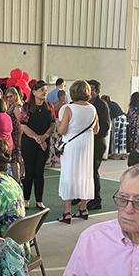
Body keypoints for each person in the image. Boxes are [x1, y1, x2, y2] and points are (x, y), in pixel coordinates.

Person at [56, 80, 98, 224]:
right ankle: (83, 208)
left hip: (72, 145)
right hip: (87, 144)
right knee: (85, 173)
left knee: (69, 174)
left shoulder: (68, 108)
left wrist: (57, 125)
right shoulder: (92, 108)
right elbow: (96, 130)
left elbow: (62, 130)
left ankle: (67, 212)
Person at [20, 80, 56, 209]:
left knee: (40, 172)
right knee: (29, 172)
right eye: (42, 90)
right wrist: (37, 138)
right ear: (34, 92)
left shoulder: (49, 106)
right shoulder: (27, 107)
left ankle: (39, 200)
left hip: (44, 143)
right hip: (29, 143)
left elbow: (52, 123)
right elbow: (23, 125)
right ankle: (26, 199)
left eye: (46, 90)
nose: (44, 92)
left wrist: (45, 137)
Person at [85, 79, 110, 210]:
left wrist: (92, 133)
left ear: (97, 91)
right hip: (85, 142)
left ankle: (96, 199)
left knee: (92, 172)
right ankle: (81, 194)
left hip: (97, 142)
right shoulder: (84, 104)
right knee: (83, 171)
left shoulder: (102, 105)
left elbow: (105, 127)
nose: (89, 92)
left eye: (91, 89)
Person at [5, 86, 23, 183]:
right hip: (11, 135)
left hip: (16, 135)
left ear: (16, 96)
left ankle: (17, 181)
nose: (9, 99)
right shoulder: (11, 106)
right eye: (7, 97)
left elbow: (20, 124)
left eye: (11, 96)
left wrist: (20, 138)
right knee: (12, 160)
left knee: (15, 160)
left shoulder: (17, 108)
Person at [101, 94, 127, 159]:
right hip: (123, 117)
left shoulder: (107, 105)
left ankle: (114, 154)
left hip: (116, 118)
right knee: (123, 136)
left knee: (115, 136)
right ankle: (123, 154)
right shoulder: (114, 103)